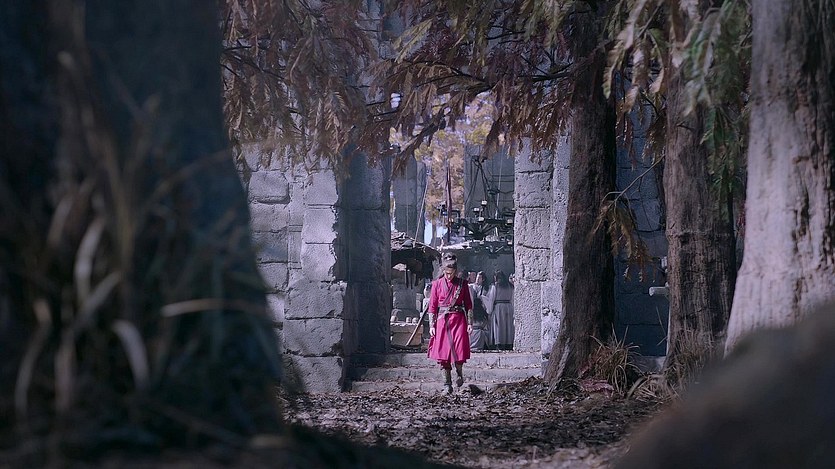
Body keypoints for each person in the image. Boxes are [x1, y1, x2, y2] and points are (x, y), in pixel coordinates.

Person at [427, 253, 473, 393]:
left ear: (456, 271)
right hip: (442, 322)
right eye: (447, 273)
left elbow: (468, 305)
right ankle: (447, 384)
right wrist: (431, 325)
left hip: (459, 320)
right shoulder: (436, 284)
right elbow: (432, 306)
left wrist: (470, 323)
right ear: (443, 270)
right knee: (443, 353)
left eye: (451, 273)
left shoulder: (462, 284)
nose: (449, 276)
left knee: (459, 349)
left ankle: (459, 373)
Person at [482, 270, 514, 350]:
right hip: (508, 307)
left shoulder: (495, 286)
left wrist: (489, 309)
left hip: (499, 308)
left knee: (499, 326)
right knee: (508, 326)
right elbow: (513, 298)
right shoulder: (510, 286)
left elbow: (491, 299)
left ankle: (499, 343)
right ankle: (508, 343)